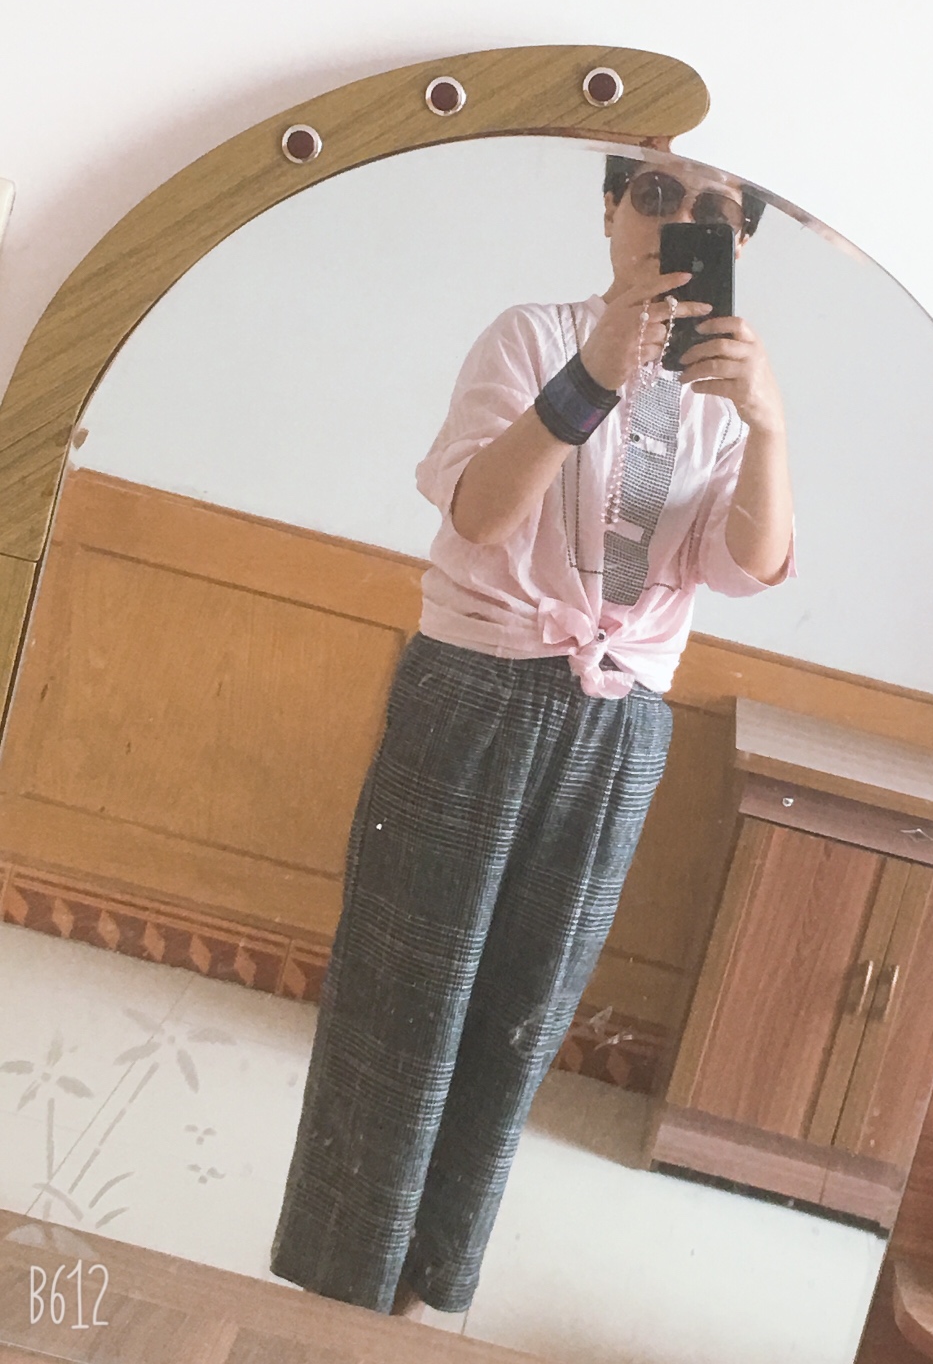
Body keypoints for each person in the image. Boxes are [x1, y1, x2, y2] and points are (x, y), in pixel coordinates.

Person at [269, 153, 794, 1320]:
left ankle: (426, 1299)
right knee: (400, 997)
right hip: (473, 692)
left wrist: (768, 426)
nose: (679, 223)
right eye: (654, 195)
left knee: (521, 1022)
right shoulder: (531, 337)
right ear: (609, 210)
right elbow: (478, 512)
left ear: (741, 244)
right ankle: (335, 1295)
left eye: (714, 211)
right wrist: (594, 373)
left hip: (619, 726)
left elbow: (744, 564)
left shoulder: (725, 401)